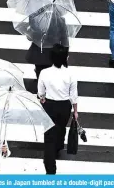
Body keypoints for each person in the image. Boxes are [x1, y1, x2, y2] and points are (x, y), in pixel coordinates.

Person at [38, 44, 78, 175]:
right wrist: (75, 111)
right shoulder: (70, 74)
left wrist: (43, 100)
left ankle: (50, 168)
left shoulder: (44, 73)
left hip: (49, 105)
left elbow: (41, 93)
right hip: (64, 106)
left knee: (49, 137)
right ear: (65, 57)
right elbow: (74, 96)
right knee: (61, 127)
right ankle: (59, 145)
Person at [24, 0, 57, 78]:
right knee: (49, 41)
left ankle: (38, 71)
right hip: (48, 14)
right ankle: (48, 69)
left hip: (34, 16)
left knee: (38, 43)